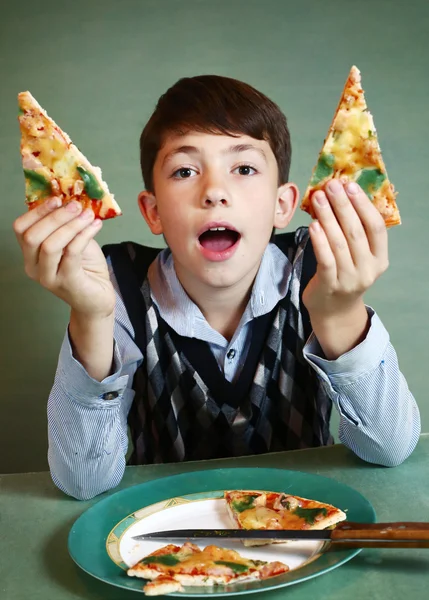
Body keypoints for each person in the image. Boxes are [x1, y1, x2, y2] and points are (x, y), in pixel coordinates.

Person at [13, 75, 420, 500]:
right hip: (165, 543)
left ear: (282, 204)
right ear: (153, 213)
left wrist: (340, 315)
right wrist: (91, 318)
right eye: (185, 171)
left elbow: (388, 448)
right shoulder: (113, 285)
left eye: (243, 168)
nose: (215, 192)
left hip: (304, 533)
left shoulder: (319, 270)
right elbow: (83, 483)